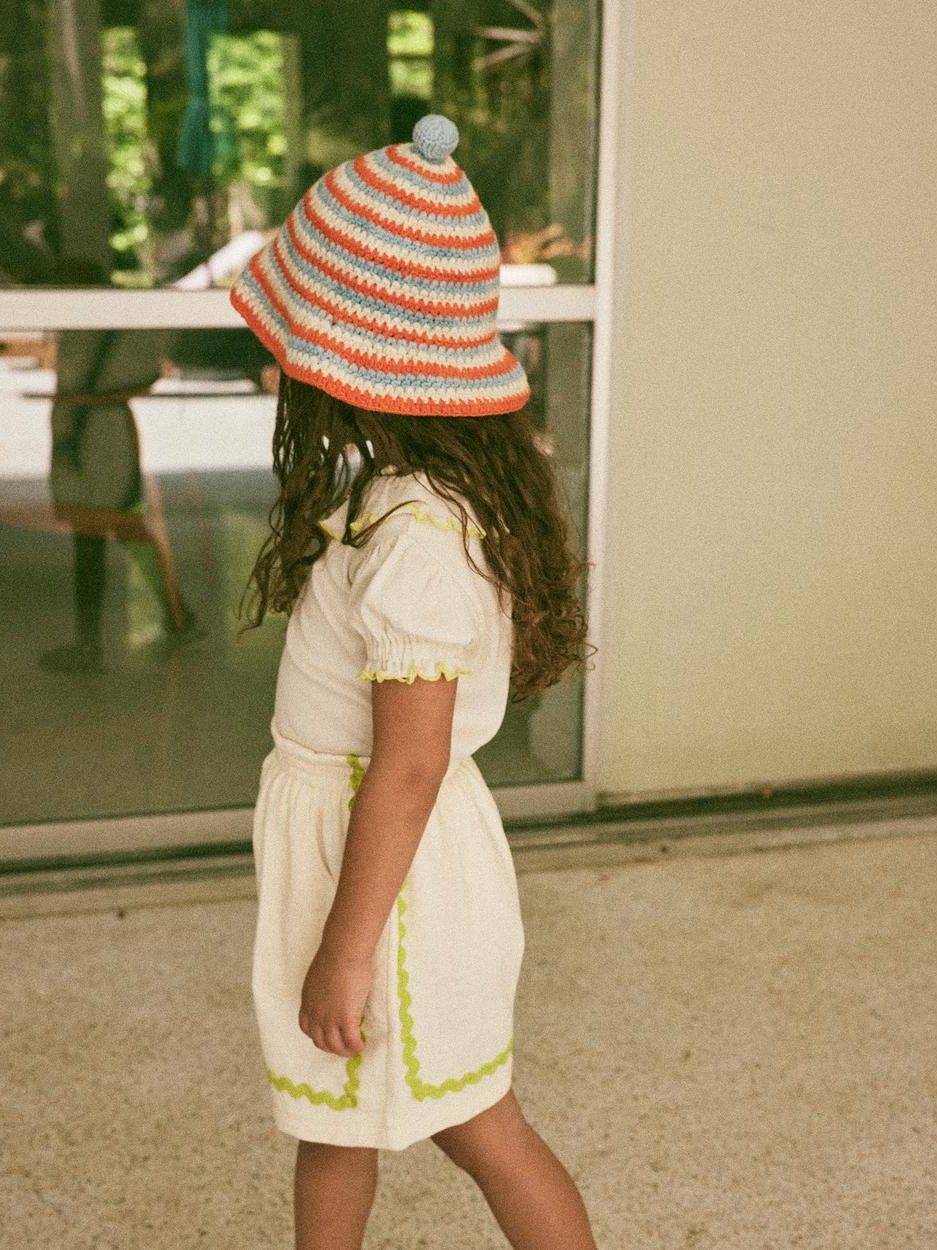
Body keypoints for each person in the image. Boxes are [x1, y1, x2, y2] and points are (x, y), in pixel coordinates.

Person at [231, 114, 599, 1250]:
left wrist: (346, 946)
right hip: (361, 850)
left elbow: (411, 759)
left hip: (388, 878)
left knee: (480, 1121)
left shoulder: (420, 542)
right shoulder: (392, 495)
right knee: (331, 1111)